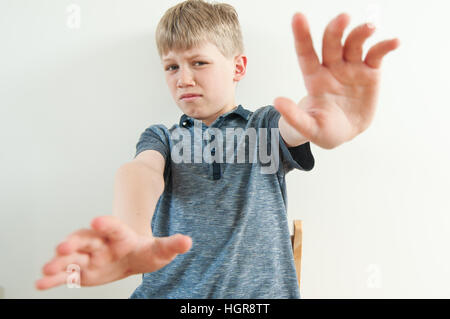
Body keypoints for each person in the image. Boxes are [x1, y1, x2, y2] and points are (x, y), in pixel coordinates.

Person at [35, 0, 399, 298]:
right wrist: (131, 236)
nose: (183, 78)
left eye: (199, 63)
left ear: (238, 67)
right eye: (171, 66)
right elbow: (140, 172)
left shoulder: (263, 127)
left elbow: (295, 124)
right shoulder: (161, 137)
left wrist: (324, 115)